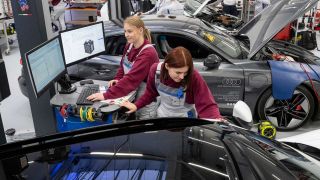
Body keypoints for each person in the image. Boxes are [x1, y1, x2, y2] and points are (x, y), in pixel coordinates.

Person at [87, 15, 159, 119]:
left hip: (146, 102)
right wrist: (118, 78)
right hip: (134, 94)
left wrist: (105, 95)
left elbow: (131, 80)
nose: (126, 35)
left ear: (140, 30)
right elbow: (123, 65)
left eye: (130, 31)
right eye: (125, 31)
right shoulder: (130, 45)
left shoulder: (147, 53)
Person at [121, 47, 221, 119]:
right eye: (178, 72)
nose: (182, 77)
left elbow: (207, 104)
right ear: (167, 66)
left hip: (186, 118)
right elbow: (150, 94)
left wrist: (215, 120)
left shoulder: (193, 76)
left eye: (185, 72)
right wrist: (136, 105)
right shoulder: (155, 71)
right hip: (163, 116)